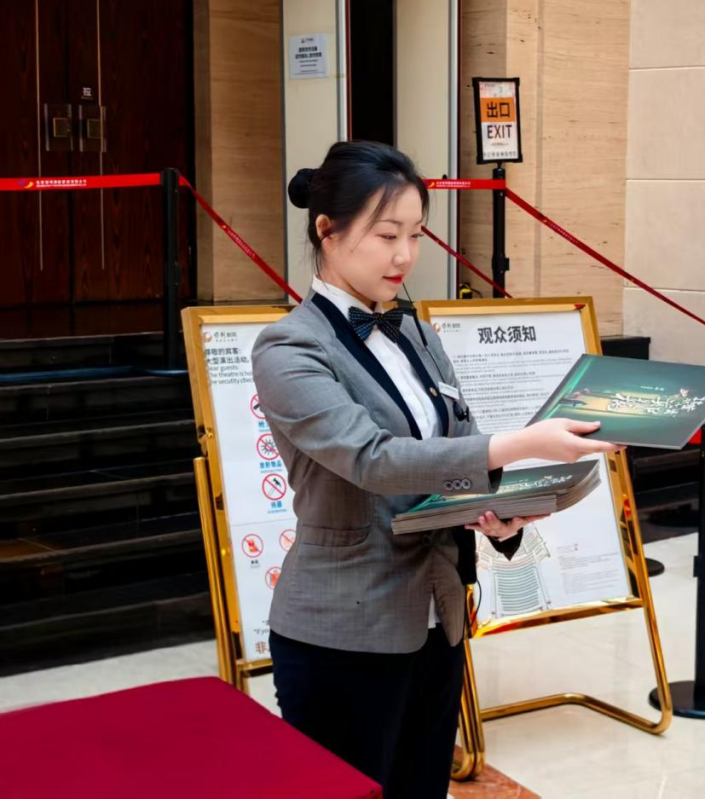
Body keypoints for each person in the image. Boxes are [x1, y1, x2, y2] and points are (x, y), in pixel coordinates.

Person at [251, 141, 618, 798]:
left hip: (435, 616)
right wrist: (518, 445)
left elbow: (458, 438)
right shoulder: (288, 346)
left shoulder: (414, 329)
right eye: (386, 235)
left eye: (416, 235)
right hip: (345, 625)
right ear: (327, 230)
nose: (404, 255)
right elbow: (371, 458)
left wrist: (500, 509)